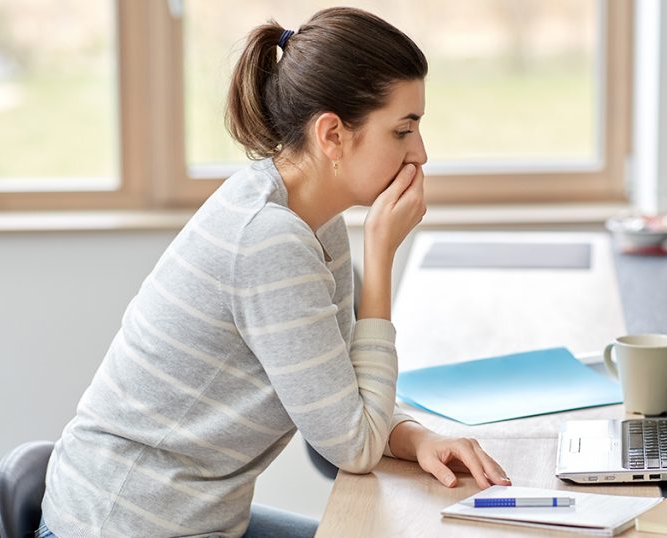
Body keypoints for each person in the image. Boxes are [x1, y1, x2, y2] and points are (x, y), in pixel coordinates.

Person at [38, 8, 510, 537]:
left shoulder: (313, 220)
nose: (419, 153)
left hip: (195, 520)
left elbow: (347, 394)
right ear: (332, 134)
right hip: (122, 524)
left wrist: (417, 437)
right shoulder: (269, 239)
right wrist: (381, 257)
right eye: (402, 130)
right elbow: (353, 446)